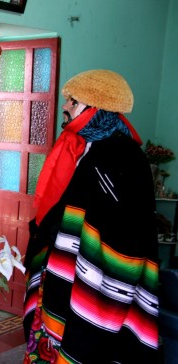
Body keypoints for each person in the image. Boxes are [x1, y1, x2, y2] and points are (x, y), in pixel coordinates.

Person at [22, 70, 159, 363]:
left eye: (72, 101)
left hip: (101, 273)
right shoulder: (86, 146)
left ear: (94, 107)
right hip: (68, 264)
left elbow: (131, 227)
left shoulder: (124, 156)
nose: (65, 106)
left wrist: (88, 253)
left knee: (89, 342)